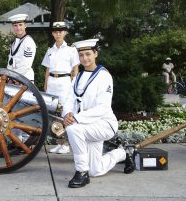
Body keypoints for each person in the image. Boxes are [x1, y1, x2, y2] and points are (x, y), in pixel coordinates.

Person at [62, 39, 135, 188]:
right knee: (96, 170)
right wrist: (67, 114)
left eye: (88, 54)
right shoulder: (78, 76)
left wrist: (75, 118)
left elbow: (103, 107)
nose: (85, 58)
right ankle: (124, 153)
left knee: (72, 129)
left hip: (104, 124)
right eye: (81, 55)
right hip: (86, 125)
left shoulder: (104, 76)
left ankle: (81, 172)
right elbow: (69, 100)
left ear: (96, 54)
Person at [41, 21, 80, 154]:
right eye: (56, 32)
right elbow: (47, 70)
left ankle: (67, 144)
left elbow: (75, 68)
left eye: (61, 31)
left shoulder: (71, 50)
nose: (58, 34)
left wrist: (74, 84)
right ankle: (59, 142)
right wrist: (45, 86)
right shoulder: (50, 50)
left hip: (64, 81)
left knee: (65, 112)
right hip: (52, 80)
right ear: (53, 34)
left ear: (65, 33)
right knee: (53, 113)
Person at [7, 14, 37, 83]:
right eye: (15, 25)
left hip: (24, 79)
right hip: (14, 79)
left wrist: (14, 77)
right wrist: (9, 77)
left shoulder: (28, 41)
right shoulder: (15, 42)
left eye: (20, 25)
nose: (18, 28)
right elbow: (10, 61)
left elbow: (26, 64)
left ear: (25, 25)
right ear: (13, 27)